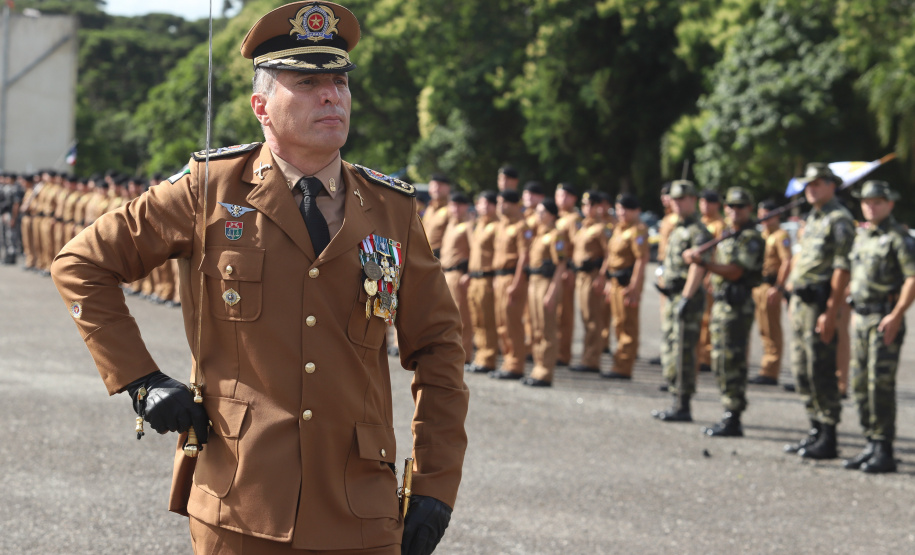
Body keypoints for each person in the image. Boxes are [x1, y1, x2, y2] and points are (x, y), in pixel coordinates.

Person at [51, 3, 469, 553]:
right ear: (261, 107)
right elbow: (81, 264)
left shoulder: (391, 209)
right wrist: (141, 380)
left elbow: (439, 347)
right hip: (240, 502)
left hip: (360, 513)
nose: (331, 96)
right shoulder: (210, 189)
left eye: (339, 81)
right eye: (307, 82)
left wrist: (436, 485)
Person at [843, 181, 915, 473]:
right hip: (861, 318)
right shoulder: (863, 237)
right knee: (860, 385)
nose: (871, 206)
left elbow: (912, 278)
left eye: (877, 202)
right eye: (867, 202)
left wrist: (898, 314)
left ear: (889, 204)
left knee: (879, 385)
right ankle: (870, 442)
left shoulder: (899, 238)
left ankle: (884, 448)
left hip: (884, 318)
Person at [784, 163, 854, 460]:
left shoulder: (839, 219)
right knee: (801, 368)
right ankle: (814, 429)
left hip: (820, 304)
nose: (810, 189)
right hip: (801, 303)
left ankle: (829, 435)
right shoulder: (813, 218)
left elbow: (842, 268)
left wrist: (830, 311)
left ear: (831, 185)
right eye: (807, 184)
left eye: (817, 184)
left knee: (821, 368)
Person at [688, 188, 764, 436]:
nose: (734, 211)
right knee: (719, 360)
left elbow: (736, 271)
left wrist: (705, 264)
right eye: (730, 206)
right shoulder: (729, 235)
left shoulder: (750, 238)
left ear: (749, 209)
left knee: (733, 361)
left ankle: (734, 415)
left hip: (737, 307)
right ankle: (727, 411)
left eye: (740, 206)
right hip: (721, 305)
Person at [651, 180, 711, 421]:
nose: (677, 204)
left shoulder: (698, 231)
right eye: (674, 199)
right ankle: (675, 399)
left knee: (684, 351)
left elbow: (699, 267)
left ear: (693, 200)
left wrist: (686, 296)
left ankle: (683, 403)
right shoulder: (676, 228)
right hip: (673, 295)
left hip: (687, 296)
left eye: (682, 199)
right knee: (670, 346)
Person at [600, 193, 649, 379]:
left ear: (636, 211)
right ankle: (618, 362)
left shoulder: (638, 230)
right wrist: (607, 282)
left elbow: (641, 259)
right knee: (617, 323)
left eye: (626, 208)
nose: (622, 212)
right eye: (619, 208)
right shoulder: (619, 229)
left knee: (628, 325)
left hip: (627, 283)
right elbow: (612, 258)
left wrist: (635, 286)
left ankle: (624, 366)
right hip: (615, 282)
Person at [523, 199, 570, 387]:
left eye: (542, 212)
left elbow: (561, 265)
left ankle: (545, 371)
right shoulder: (539, 234)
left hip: (546, 283)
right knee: (535, 328)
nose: (539, 215)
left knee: (546, 329)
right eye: (538, 212)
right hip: (534, 282)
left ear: (552, 214)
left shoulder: (556, 235)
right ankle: (537, 367)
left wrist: (552, 291)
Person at [749, 199, 792, 386]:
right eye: (761, 215)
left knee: (771, 328)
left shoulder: (780, 235)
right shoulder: (763, 235)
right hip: (757, 285)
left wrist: (779, 287)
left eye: (767, 215)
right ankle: (765, 366)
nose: (764, 219)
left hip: (770, 286)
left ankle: (770, 369)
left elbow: (786, 262)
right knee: (761, 328)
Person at [490, 189, 532, 380]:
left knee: (512, 322)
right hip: (499, 277)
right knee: (501, 322)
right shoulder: (501, 225)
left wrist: (516, 283)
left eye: (503, 202)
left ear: (514, 204)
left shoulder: (522, 226)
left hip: (512, 277)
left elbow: (525, 256)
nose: (499, 206)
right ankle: (507, 361)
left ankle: (516, 364)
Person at [569, 190, 611, 374]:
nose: (587, 208)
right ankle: (587, 357)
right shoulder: (583, 227)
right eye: (584, 205)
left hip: (593, 275)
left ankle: (592, 360)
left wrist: (602, 276)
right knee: (585, 318)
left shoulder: (602, 228)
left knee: (593, 319)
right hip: (581, 276)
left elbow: (609, 254)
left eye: (590, 205)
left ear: (598, 207)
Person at [465, 190, 500, 374]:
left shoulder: (497, 226)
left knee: (488, 320)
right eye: (480, 203)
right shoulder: (478, 225)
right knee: (476, 319)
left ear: (494, 206)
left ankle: (488, 358)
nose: (482, 207)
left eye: (487, 203)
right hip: (475, 277)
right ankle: (480, 356)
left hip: (488, 277)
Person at [440, 192, 474, 365]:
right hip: (446, 273)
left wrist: (469, 272)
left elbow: (474, 250)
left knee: (462, 317)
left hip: (459, 274)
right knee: (448, 317)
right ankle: (452, 351)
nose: (455, 209)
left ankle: (465, 353)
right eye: (452, 205)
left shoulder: (468, 226)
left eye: (458, 205)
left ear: (465, 207)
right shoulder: (450, 225)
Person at [697, 189, 726, 374]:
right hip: (696, 275)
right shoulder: (700, 223)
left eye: (710, 202)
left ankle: (706, 357)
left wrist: (710, 275)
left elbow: (719, 253)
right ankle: (699, 353)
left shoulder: (719, 225)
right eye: (703, 202)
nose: (706, 206)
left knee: (708, 318)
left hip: (709, 275)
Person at [554, 182, 580, 367]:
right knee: (554, 314)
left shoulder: (574, 219)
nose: (561, 199)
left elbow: (577, 246)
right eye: (559, 195)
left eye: (566, 196)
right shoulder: (557, 217)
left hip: (565, 271)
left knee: (564, 314)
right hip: (554, 272)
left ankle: (563, 353)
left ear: (573, 199)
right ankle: (556, 350)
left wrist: (570, 269)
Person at [422, 174, 451, 258]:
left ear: (448, 188)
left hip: (439, 257)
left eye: (440, 185)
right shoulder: (429, 209)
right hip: (423, 254)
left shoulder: (451, 210)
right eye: (433, 185)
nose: (436, 189)